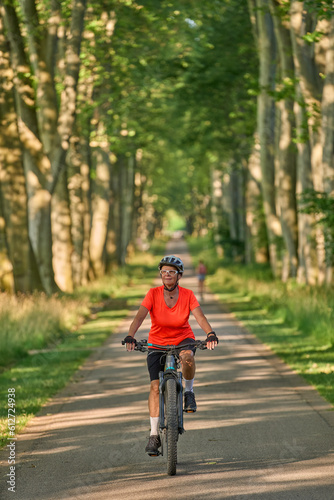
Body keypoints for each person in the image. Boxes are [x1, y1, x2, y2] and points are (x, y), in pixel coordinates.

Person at [123, 255, 218, 457]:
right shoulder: (153, 294)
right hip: (156, 342)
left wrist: (209, 333)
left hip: (183, 338)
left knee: (188, 359)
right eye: (164, 272)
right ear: (161, 275)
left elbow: (199, 316)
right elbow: (139, 316)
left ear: (179, 276)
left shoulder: (188, 294)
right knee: (155, 386)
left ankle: (189, 392)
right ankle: (154, 434)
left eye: (171, 272)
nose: (167, 275)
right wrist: (131, 335)